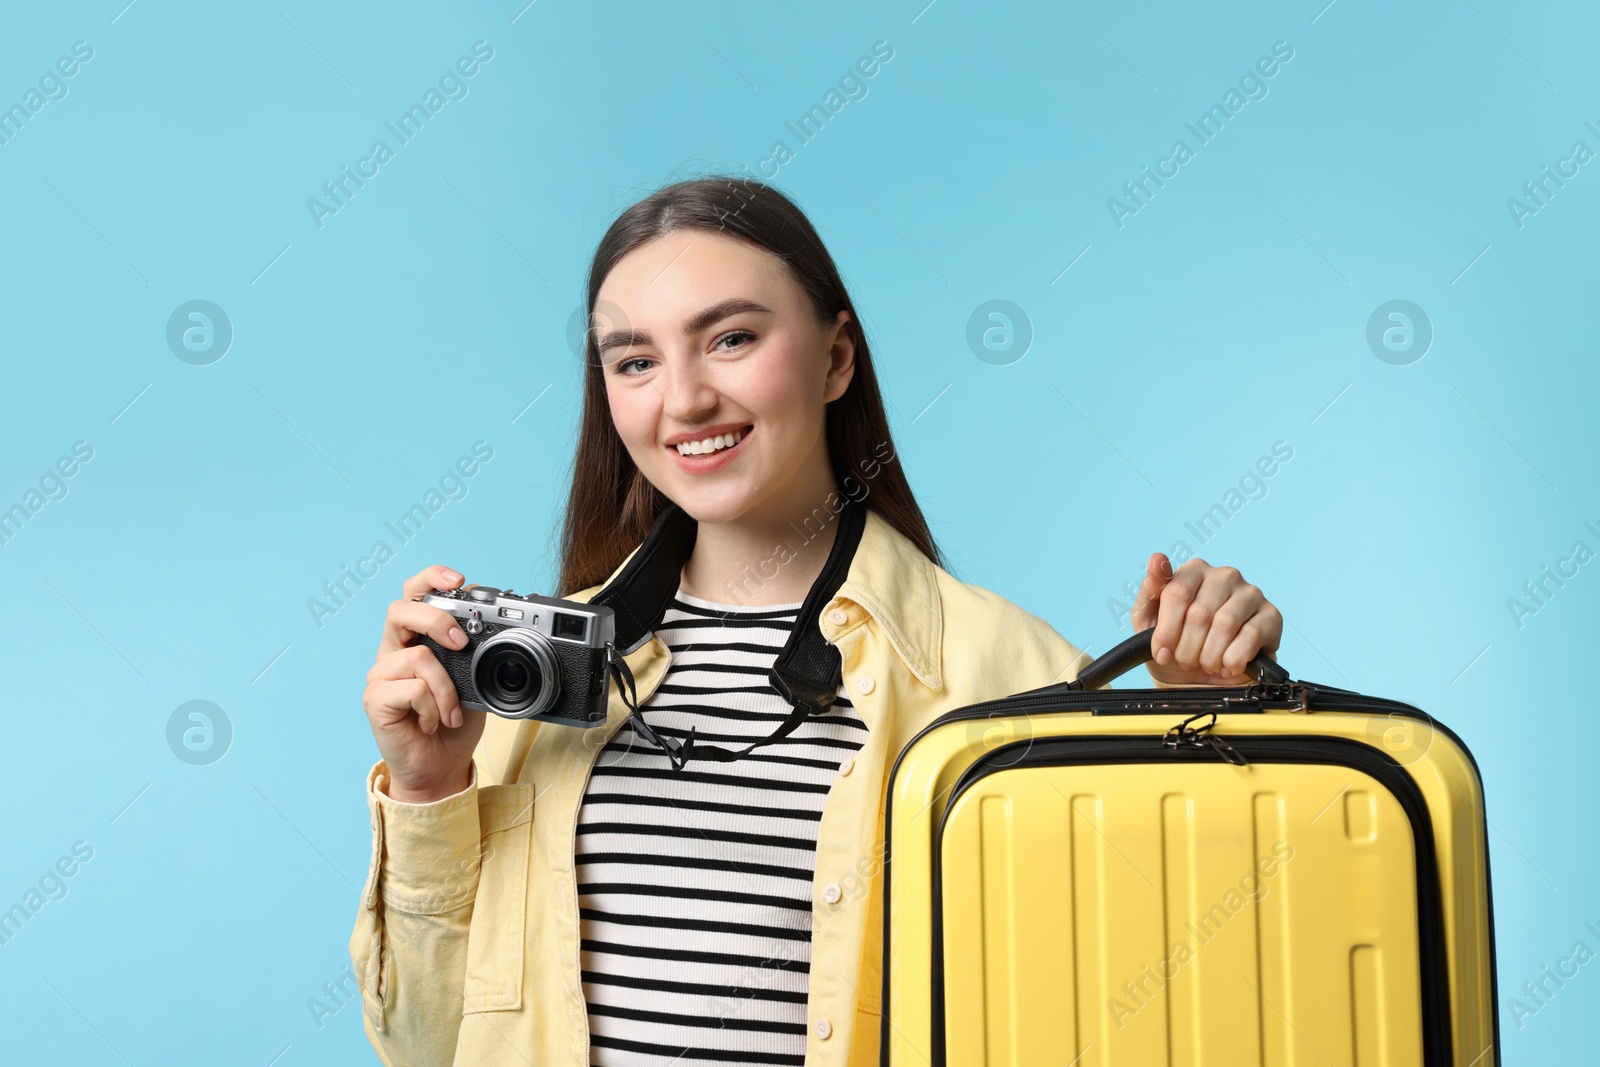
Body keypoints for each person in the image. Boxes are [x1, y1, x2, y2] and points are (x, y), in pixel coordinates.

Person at [349, 176, 1284, 1067]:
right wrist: (430, 788)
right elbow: (429, 1047)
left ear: (837, 356)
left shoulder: (1017, 676)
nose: (683, 400)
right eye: (635, 360)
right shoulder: (527, 680)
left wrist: (1211, 733)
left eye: (731, 340)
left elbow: (1169, 999)